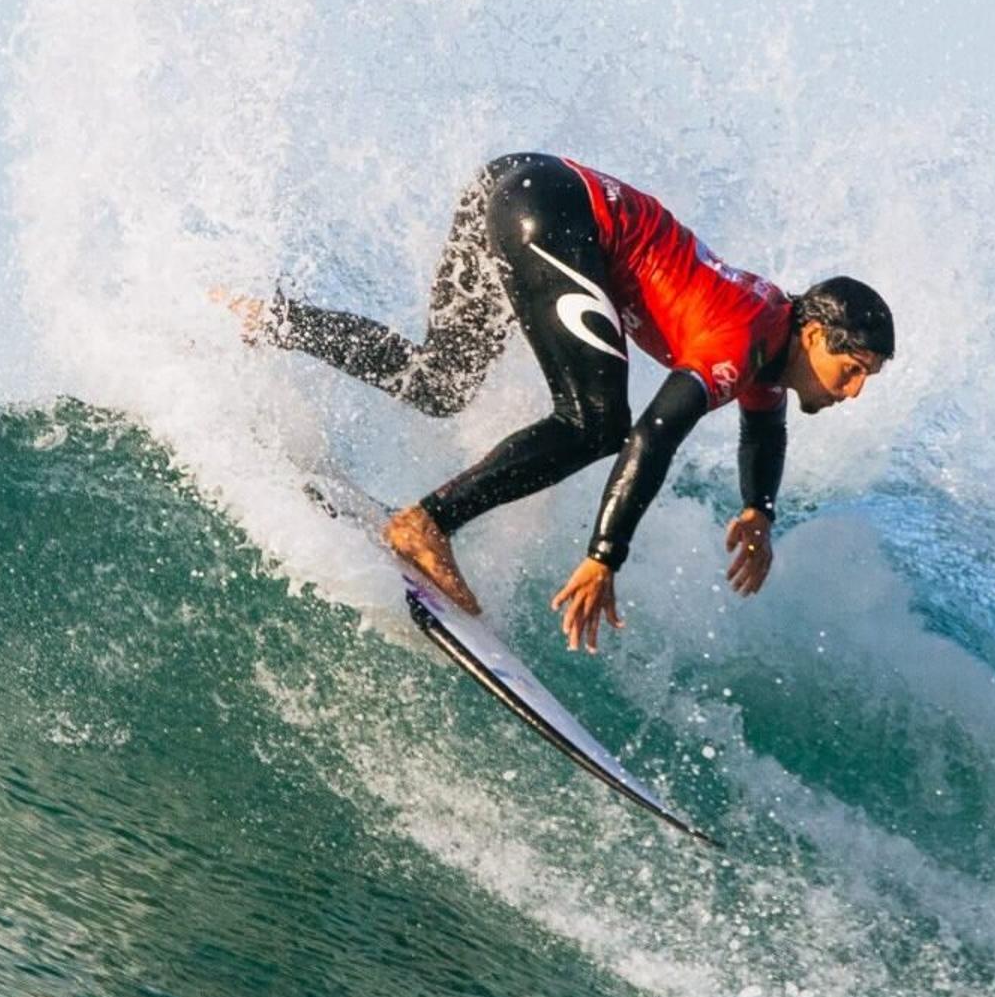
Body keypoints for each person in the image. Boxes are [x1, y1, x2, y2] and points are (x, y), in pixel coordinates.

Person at [231, 152, 892, 652]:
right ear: (813, 335)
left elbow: (764, 426)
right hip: (553, 210)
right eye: (851, 368)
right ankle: (426, 523)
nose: (854, 389)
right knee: (596, 422)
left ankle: (265, 321)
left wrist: (760, 508)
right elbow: (654, 435)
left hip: (519, 185)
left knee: (440, 382)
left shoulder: (773, 345)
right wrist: (605, 556)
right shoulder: (742, 336)